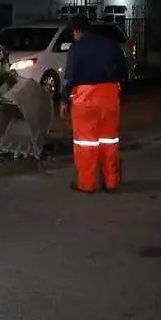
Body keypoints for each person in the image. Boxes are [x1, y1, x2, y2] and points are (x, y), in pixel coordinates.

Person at [60, 15, 128, 194]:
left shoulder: (77, 48)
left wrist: (63, 100)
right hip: (110, 97)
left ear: (75, 32)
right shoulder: (109, 44)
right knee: (109, 141)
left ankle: (87, 184)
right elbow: (123, 68)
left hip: (85, 99)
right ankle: (111, 183)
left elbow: (70, 78)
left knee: (86, 144)